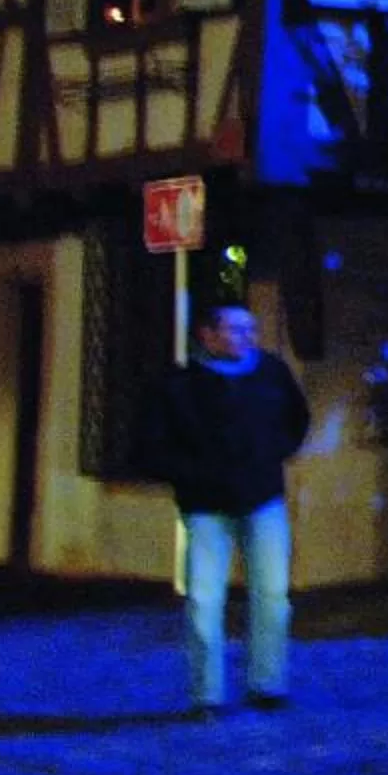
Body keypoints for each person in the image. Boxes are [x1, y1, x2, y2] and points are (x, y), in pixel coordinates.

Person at [141, 301, 311, 719]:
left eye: (250, 329)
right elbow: (154, 443)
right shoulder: (180, 384)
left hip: (262, 497)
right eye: (236, 330)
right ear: (209, 335)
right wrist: (192, 475)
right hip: (205, 505)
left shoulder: (270, 373)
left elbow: (296, 419)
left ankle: (268, 684)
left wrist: (271, 454)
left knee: (272, 595)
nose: (247, 338)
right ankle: (207, 694)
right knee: (204, 600)